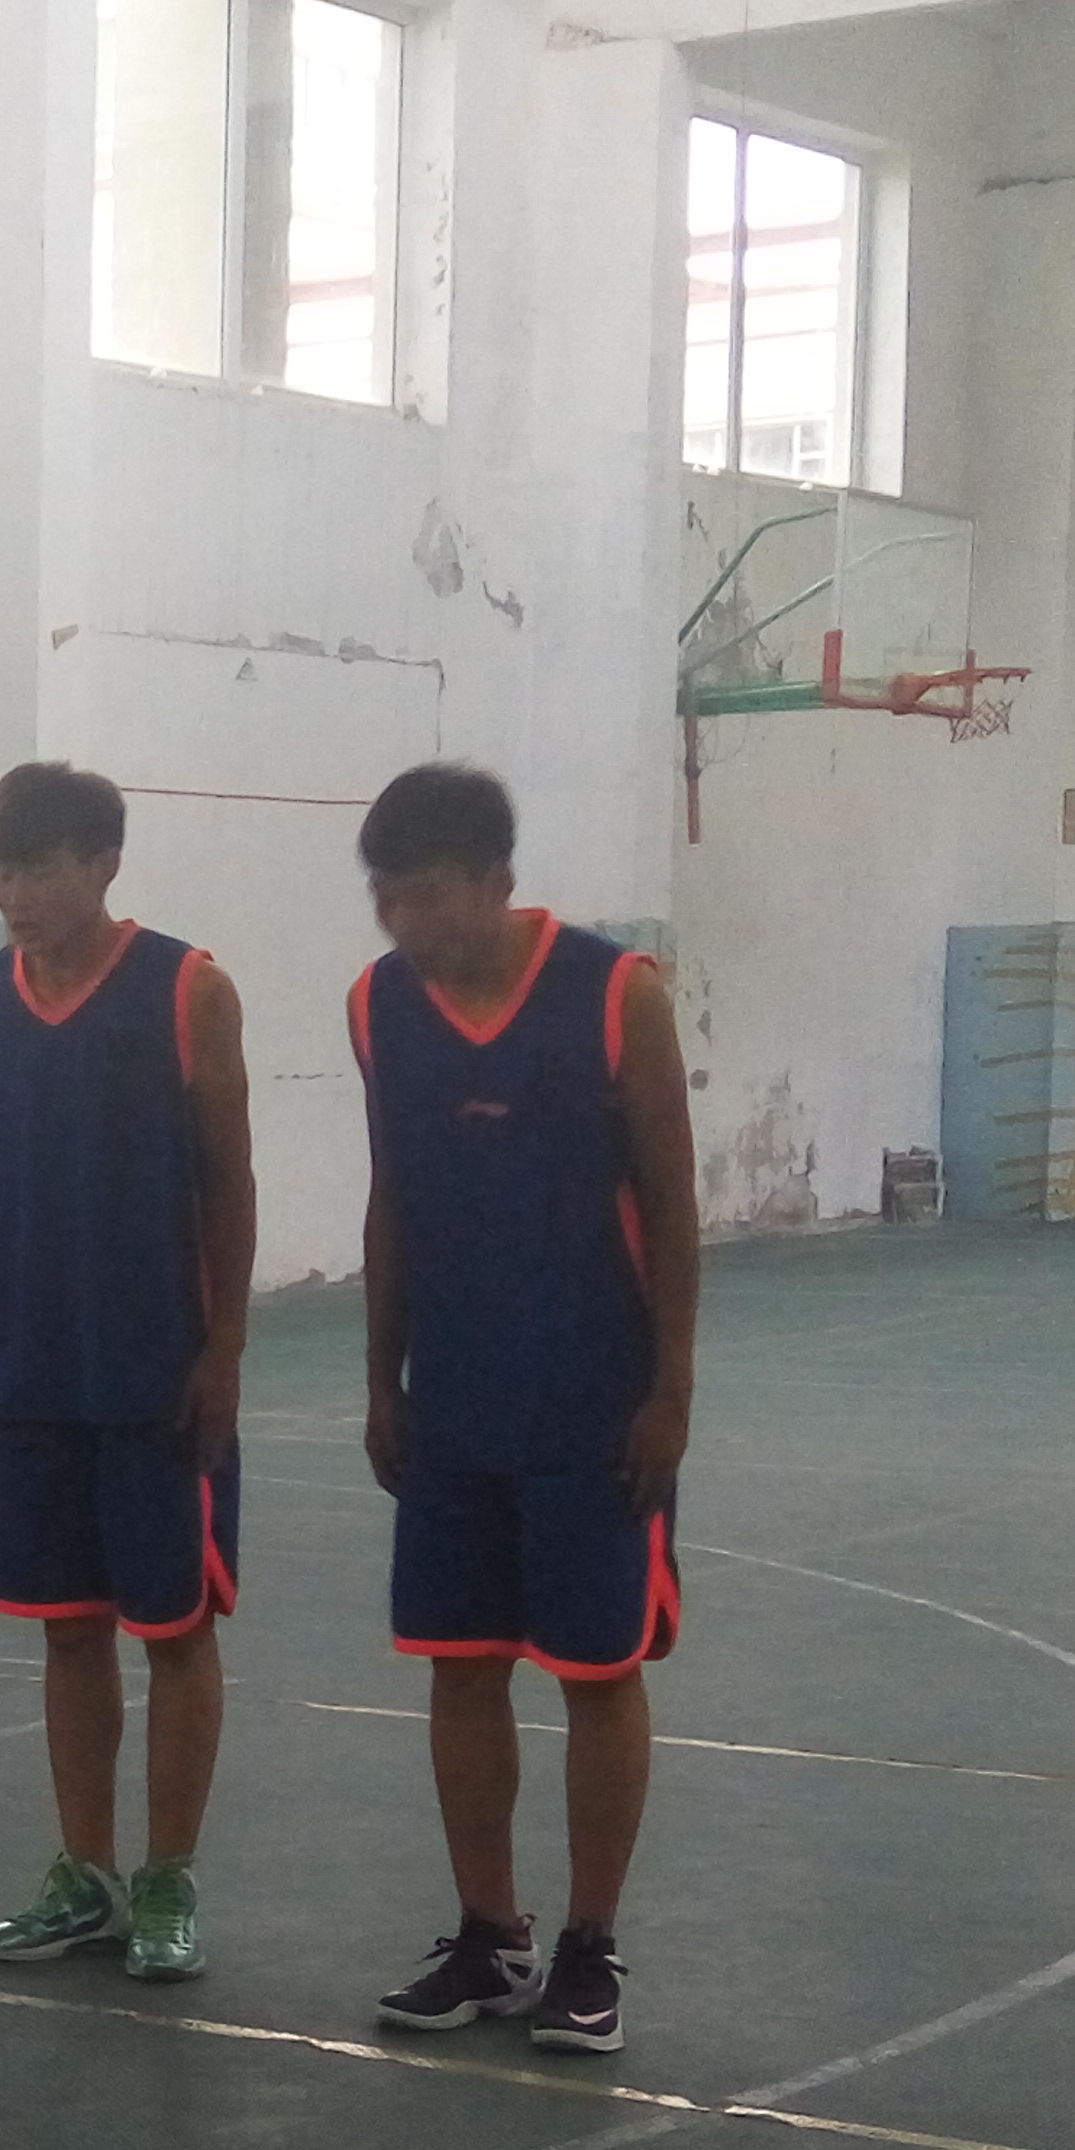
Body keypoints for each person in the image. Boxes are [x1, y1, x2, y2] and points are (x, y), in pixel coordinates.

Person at [353, 762, 697, 2055]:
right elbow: (391, 1199)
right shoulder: (380, 1006)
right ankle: (487, 1934)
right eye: (387, 898)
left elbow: (671, 1202)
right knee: (460, 1664)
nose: (406, 922)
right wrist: (379, 1379)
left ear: (497, 881)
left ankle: (589, 1949)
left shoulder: (615, 996)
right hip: (453, 1401)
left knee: (597, 1674)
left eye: (429, 895)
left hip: (593, 1402)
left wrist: (671, 1389)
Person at [0, 763, 257, 1984]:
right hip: (33, 1365)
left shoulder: (186, 988)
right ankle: (83, 1874)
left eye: (34, 868)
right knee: (66, 1631)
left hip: (153, 1366)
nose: (11, 893)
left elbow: (227, 1179)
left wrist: (223, 1348)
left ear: (101, 864)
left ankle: (167, 1877)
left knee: (172, 1630)